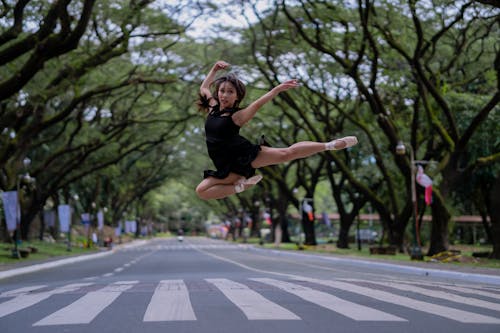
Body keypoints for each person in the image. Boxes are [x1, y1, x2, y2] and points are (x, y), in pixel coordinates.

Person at [195, 60, 358, 200]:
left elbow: (258, 104)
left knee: (286, 154)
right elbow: (204, 87)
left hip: (243, 155)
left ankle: (329, 145)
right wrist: (215, 69)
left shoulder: (237, 116)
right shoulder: (212, 107)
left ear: (237, 97)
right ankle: (240, 187)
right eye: (222, 91)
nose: (224, 95)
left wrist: (276, 90)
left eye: (230, 92)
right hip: (225, 165)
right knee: (201, 191)